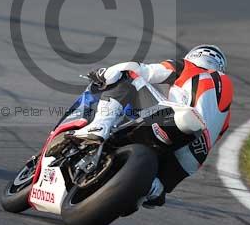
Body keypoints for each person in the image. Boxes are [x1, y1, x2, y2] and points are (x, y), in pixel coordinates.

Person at [75, 44, 233, 208]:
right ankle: (153, 189)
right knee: (158, 186)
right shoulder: (226, 112)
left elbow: (145, 71)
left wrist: (105, 73)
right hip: (193, 157)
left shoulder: (190, 67)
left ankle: (100, 126)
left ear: (195, 56)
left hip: (175, 120)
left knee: (127, 73)